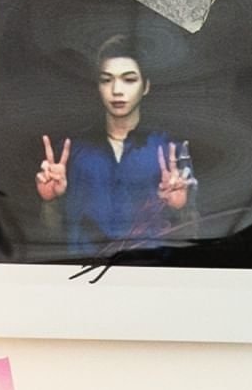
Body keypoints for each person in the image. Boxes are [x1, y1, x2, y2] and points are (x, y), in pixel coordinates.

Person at [35, 37, 196, 260]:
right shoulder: (70, 151)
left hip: (150, 271)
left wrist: (181, 208)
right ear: (98, 86)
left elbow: (194, 235)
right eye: (106, 80)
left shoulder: (170, 151)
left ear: (146, 86)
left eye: (129, 79)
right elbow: (50, 235)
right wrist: (50, 201)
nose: (116, 90)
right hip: (83, 272)